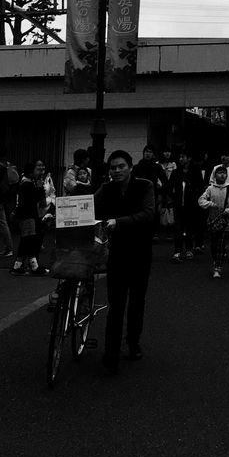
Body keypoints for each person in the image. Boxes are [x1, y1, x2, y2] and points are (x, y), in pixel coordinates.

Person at [94, 149, 157, 370]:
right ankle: (111, 352)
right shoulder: (107, 188)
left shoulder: (144, 186)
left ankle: (133, 342)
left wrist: (119, 222)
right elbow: (90, 205)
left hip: (140, 251)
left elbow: (149, 214)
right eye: (113, 167)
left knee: (137, 302)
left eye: (121, 166)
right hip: (117, 253)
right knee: (116, 304)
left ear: (131, 167)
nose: (117, 171)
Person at [198, 165, 229, 278]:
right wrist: (210, 204)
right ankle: (215, 261)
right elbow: (201, 200)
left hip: (225, 221)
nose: (222, 175)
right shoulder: (210, 189)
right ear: (215, 175)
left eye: (224, 173)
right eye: (219, 173)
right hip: (213, 220)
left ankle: (217, 267)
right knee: (214, 244)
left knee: (221, 243)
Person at [11, 160, 50, 276]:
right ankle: (34, 266)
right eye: (36, 170)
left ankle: (18, 266)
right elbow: (32, 200)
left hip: (26, 216)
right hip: (28, 216)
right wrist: (39, 189)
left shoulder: (25, 182)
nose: (38, 172)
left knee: (25, 241)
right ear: (31, 172)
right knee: (29, 241)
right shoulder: (28, 184)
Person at [168, 153, 204, 260]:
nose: (180, 159)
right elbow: (170, 186)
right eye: (179, 157)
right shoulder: (176, 172)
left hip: (191, 205)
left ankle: (189, 249)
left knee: (189, 228)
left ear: (189, 158)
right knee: (178, 228)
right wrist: (172, 198)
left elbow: (201, 186)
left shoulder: (195, 171)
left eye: (183, 157)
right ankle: (177, 251)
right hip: (178, 204)